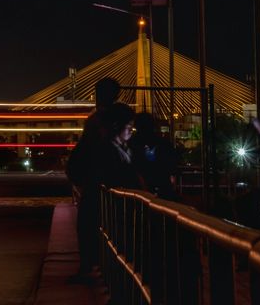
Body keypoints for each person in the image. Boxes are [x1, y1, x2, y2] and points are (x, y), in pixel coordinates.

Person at [67, 103, 142, 282]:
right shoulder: (108, 150)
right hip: (109, 207)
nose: (131, 131)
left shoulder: (119, 148)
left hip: (103, 204)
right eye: (129, 126)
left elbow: (74, 171)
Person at [130, 112, 177, 198]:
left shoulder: (132, 144)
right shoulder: (164, 143)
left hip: (140, 191)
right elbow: (172, 164)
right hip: (163, 186)